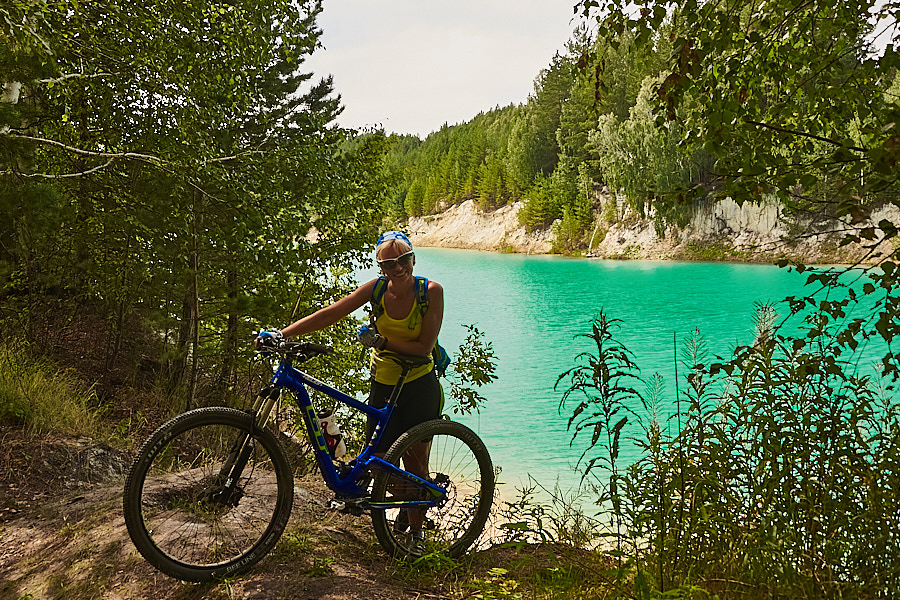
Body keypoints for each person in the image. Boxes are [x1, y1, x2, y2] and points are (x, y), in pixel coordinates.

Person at [257, 231, 443, 538]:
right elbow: (331, 312)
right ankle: (407, 513)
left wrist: (382, 340)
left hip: (418, 383)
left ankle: (416, 536)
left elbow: (424, 347)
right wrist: (283, 334)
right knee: (381, 462)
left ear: (413, 258)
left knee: (415, 464)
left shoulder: (431, 291)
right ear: (380, 266)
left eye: (404, 259)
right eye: (389, 262)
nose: (398, 268)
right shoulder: (377, 290)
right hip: (384, 383)